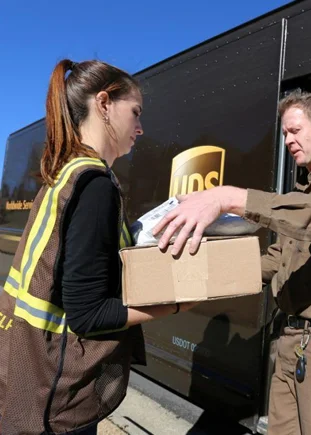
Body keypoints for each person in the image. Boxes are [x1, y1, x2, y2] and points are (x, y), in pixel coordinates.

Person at [154, 89, 311, 435]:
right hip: (290, 339)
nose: (289, 140)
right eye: (285, 133)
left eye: (296, 130)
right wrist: (199, 274)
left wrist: (231, 198)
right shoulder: (302, 193)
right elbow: (277, 261)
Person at [0, 59, 196, 435]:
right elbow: (87, 315)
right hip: (55, 398)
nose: (140, 128)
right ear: (104, 104)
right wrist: (175, 304)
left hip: (25, 375)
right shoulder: (96, 187)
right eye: (135, 112)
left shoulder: (65, 175)